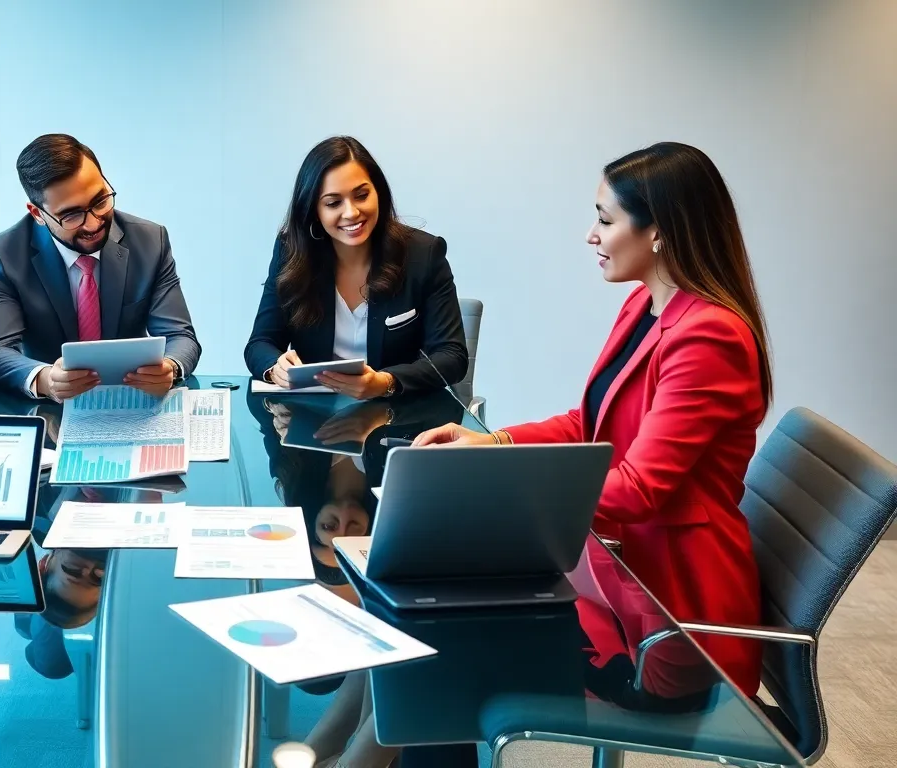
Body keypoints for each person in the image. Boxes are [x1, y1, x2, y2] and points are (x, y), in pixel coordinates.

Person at [414, 142, 772, 694]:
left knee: (441, 639)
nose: (591, 235)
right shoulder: (645, 305)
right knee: (423, 616)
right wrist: (495, 443)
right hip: (618, 568)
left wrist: (498, 484)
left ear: (660, 232)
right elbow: (591, 423)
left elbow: (638, 490)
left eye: (605, 220)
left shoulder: (709, 335)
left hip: (667, 618)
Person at [0, 134, 202, 400]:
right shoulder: (4, 254)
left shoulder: (150, 241)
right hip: (52, 412)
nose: (94, 224)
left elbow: (180, 335)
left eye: (100, 202)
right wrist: (45, 379)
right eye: (72, 215)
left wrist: (170, 367)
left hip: (132, 403)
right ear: (37, 214)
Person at [244, 136, 468, 398]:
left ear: (378, 194)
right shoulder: (292, 252)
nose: (351, 212)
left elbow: (452, 357)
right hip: (314, 419)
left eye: (361, 196)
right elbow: (260, 343)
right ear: (314, 209)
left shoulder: (424, 254)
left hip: (400, 418)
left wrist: (386, 382)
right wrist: (275, 368)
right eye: (333, 203)